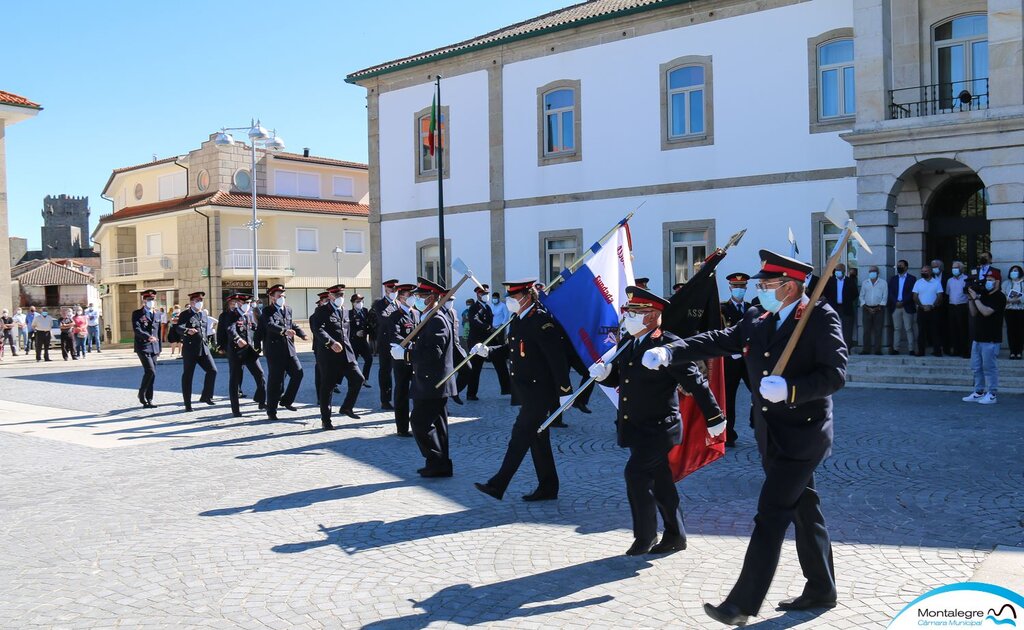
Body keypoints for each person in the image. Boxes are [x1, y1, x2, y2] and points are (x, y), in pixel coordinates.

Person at [645, 250, 846, 626]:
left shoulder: (818, 317)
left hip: (804, 434)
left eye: (768, 285)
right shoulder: (757, 316)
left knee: (771, 515)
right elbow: (720, 339)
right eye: (761, 285)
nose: (761, 291)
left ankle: (740, 604)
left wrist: (790, 389)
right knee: (805, 509)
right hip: (770, 433)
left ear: (791, 287)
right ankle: (822, 587)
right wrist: (670, 350)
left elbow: (835, 374)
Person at [591, 286, 724, 555]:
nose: (627, 317)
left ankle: (645, 536)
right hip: (636, 425)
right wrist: (605, 374)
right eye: (628, 312)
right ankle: (676, 535)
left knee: (636, 475)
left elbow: (695, 381)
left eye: (633, 312)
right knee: (661, 482)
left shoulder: (667, 345)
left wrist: (714, 416)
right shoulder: (630, 341)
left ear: (651, 316)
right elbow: (623, 379)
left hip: (660, 427)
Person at [473, 279, 573, 502]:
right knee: (538, 440)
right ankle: (548, 487)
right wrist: (488, 351)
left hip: (540, 392)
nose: (509, 301)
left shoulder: (541, 321)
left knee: (519, 437)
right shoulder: (518, 319)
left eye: (513, 297)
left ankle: (497, 485)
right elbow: (511, 349)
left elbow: (556, 358)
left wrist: (565, 390)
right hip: (526, 390)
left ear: (527, 296)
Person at [389, 277, 458, 477]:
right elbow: (426, 346)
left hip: (433, 381)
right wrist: (410, 346)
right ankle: (441, 465)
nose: (417, 298)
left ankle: (436, 460)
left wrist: (407, 355)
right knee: (438, 424)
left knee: (419, 421)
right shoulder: (428, 317)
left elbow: (433, 353)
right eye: (416, 295)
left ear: (432, 298)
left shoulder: (436, 319)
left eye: (420, 296)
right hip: (431, 380)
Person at [313, 284, 365, 429]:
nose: (339, 298)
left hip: (346, 355)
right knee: (327, 387)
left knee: (358, 379)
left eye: (341, 295)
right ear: (330, 296)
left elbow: (346, 333)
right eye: (336, 295)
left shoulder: (345, 311)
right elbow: (318, 330)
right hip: (329, 356)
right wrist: (331, 343)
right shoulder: (322, 311)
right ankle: (326, 420)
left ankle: (347, 407)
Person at [259, 284, 307, 421]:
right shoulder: (267, 311)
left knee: (298, 373)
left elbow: (292, 324)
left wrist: (302, 334)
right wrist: (284, 331)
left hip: (289, 349)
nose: (282, 298)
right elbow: (270, 325)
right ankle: (271, 410)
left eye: (283, 295)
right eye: (279, 295)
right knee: (276, 381)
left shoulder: (288, 309)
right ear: (272, 297)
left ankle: (286, 400)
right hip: (275, 351)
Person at [963, 268, 1006, 405]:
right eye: (987, 280)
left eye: (991, 280)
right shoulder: (984, 295)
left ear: (997, 282)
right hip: (978, 337)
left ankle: (992, 393)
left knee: (989, 367)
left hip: (991, 339)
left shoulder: (999, 296)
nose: (988, 282)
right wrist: (971, 297)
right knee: (976, 367)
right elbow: (974, 313)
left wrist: (976, 298)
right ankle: (978, 391)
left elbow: (986, 312)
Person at [720, 273, 753, 446]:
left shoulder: (752, 308)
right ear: (730, 288)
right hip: (731, 360)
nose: (739, 290)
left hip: (749, 360)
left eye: (742, 287)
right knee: (728, 398)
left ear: (746, 288)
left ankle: (757, 423)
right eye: (736, 286)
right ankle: (728, 434)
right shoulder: (722, 309)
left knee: (759, 392)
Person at [223, 293, 266, 417]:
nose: (248, 305)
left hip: (248, 351)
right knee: (234, 379)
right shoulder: (231, 315)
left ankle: (261, 400)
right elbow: (230, 329)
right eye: (245, 303)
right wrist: (237, 339)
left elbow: (253, 330)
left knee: (260, 374)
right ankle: (235, 409)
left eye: (248, 303)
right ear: (239, 303)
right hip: (236, 351)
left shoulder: (248, 316)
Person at [175, 291, 218, 411]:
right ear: (191, 302)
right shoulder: (185, 314)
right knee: (188, 376)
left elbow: (204, 330)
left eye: (201, 301)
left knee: (212, 370)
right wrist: (187, 330)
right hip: (190, 349)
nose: (200, 303)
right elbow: (178, 328)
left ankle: (206, 396)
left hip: (203, 349)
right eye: (197, 301)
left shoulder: (203, 314)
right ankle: (187, 404)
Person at [386, 283, 418, 437]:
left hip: (415, 358)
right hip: (401, 358)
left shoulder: (416, 314)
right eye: (409, 295)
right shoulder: (394, 316)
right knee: (402, 392)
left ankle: (418, 423)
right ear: (401, 298)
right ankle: (402, 427)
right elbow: (395, 335)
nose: (413, 298)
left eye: (413, 295)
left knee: (419, 390)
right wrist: (410, 344)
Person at [369, 279, 400, 411]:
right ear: (386, 289)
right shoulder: (380, 304)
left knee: (401, 371)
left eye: (396, 290)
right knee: (385, 372)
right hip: (386, 343)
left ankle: (401, 397)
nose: (394, 292)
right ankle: (385, 400)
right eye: (391, 289)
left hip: (400, 342)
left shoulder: (399, 303)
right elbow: (384, 318)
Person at [132, 290, 160, 408]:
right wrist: (148, 337)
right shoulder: (137, 313)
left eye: (152, 299)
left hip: (154, 347)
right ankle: (141, 393)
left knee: (152, 374)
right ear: (144, 300)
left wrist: (159, 349)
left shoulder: (157, 313)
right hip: (143, 346)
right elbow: (137, 329)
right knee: (150, 371)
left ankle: (149, 399)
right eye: (149, 300)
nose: (151, 302)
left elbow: (157, 332)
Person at [822, 263, 857, 348]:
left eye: (840, 270)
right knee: (832, 327)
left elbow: (855, 294)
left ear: (844, 271)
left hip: (846, 307)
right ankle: (833, 347)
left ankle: (847, 348)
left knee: (847, 330)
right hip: (834, 307)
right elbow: (826, 293)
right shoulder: (830, 281)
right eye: (836, 270)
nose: (838, 272)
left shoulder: (849, 281)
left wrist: (847, 300)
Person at [912, 265, 944, 357]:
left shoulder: (936, 282)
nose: (923, 273)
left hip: (933, 310)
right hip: (921, 310)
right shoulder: (918, 282)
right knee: (921, 331)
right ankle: (921, 351)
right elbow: (914, 296)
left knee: (935, 331)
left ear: (930, 272)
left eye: (925, 271)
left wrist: (932, 306)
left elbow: (940, 296)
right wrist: (922, 306)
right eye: (922, 271)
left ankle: (937, 351)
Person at [887, 260, 917, 355]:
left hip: (907, 306)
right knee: (897, 328)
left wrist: (903, 302)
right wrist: (896, 302)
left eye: (901, 265)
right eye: (898, 265)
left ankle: (911, 349)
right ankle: (896, 349)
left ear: (906, 267)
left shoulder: (912, 279)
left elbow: (912, 293)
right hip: (895, 306)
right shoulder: (893, 279)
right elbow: (890, 292)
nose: (899, 267)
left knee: (908, 328)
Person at [859, 265, 887, 355]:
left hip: (879, 309)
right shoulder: (865, 283)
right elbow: (861, 296)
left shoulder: (883, 283)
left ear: (878, 273)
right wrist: (866, 307)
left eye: (874, 271)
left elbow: (885, 297)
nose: (872, 273)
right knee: (866, 330)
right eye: (870, 271)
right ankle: (866, 350)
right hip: (866, 309)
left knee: (878, 330)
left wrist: (878, 307)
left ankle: (877, 350)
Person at [946, 261, 971, 358]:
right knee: (953, 329)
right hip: (952, 306)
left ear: (961, 269)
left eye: (956, 267)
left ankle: (965, 351)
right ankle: (956, 350)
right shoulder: (949, 280)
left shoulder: (966, 279)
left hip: (962, 306)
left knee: (963, 329)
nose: (954, 269)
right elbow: (948, 293)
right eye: (953, 267)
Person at [349, 294, 374, 385]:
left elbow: (370, 324)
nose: (360, 303)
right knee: (353, 363)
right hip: (353, 342)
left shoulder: (365, 311)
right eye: (358, 302)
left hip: (363, 341)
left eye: (361, 301)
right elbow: (346, 328)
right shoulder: (349, 314)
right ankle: (354, 380)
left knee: (369, 359)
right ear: (353, 303)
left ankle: (364, 379)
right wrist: (355, 333)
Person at [1003, 265, 1023, 360]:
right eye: (1012, 270)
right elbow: (1003, 296)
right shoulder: (1006, 283)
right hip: (1009, 310)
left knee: (1020, 331)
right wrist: (1012, 300)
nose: (1013, 272)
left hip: (1021, 310)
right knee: (1011, 331)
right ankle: (1012, 352)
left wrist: (1018, 299)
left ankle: (1019, 352)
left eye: (1015, 270)